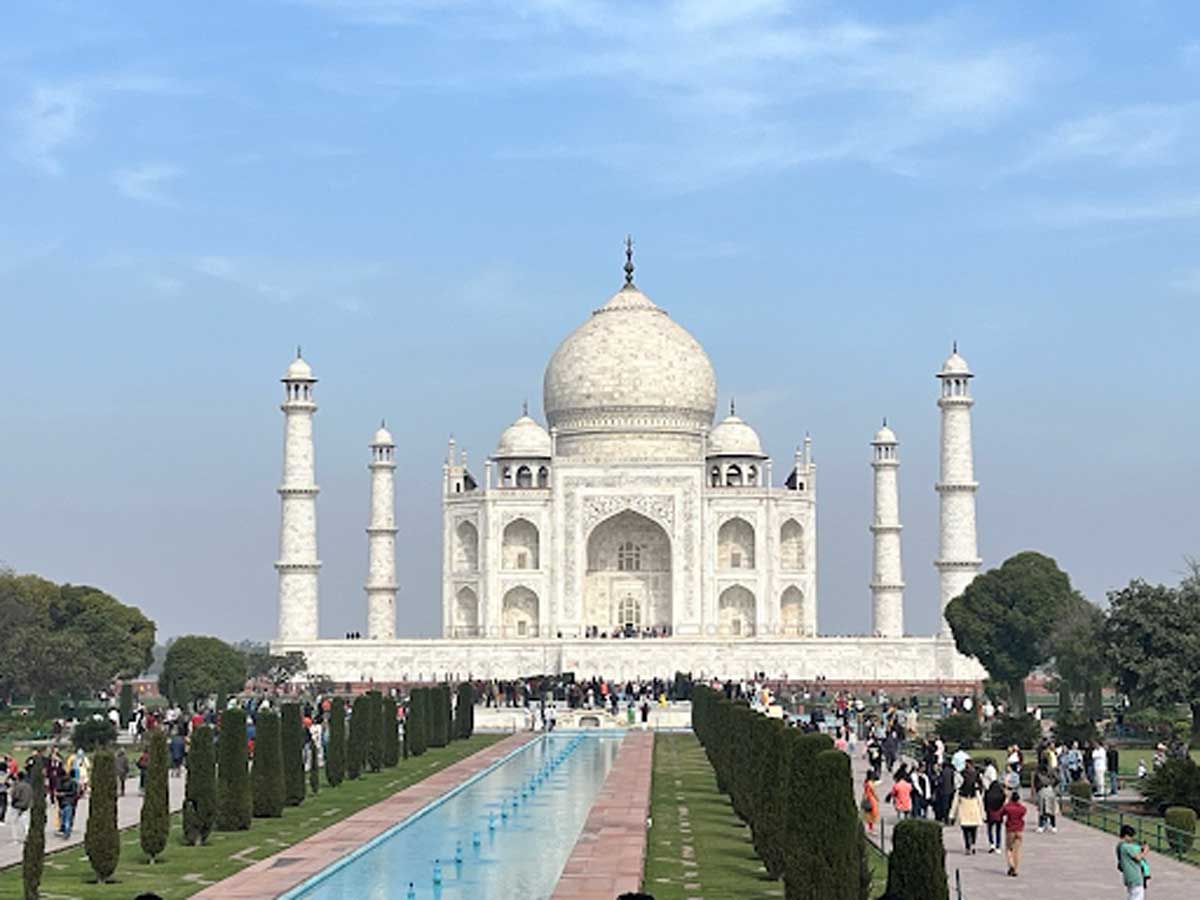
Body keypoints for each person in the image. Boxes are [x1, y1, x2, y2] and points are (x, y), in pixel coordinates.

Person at [949, 777, 984, 855]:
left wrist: (952, 815)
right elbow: (980, 803)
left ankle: (968, 847)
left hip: (964, 813)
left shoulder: (960, 791)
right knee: (974, 831)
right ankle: (973, 845)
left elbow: (954, 803)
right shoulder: (975, 791)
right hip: (974, 813)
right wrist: (983, 814)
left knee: (966, 831)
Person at [1116, 824, 1149, 900]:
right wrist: (1145, 851)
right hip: (1135, 877)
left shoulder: (1120, 846)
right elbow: (1138, 857)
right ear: (1126, 835)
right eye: (1131, 836)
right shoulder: (1126, 846)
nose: (1132, 838)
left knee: (1132, 896)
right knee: (1137, 897)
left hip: (1129, 877)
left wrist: (1141, 849)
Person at [1001, 790, 1026, 877]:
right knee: (1017, 851)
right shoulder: (1022, 808)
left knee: (1009, 849)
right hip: (1019, 830)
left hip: (1010, 830)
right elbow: (1023, 812)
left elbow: (1002, 812)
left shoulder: (1007, 807)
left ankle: (1011, 865)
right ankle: (1015, 869)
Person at [983, 777, 1006, 853]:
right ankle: (998, 846)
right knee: (998, 831)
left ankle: (991, 843)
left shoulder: (988, 793)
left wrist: (986, 811)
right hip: (999, 814)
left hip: (990, 814)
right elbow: (1003, 802)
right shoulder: (1001, 794)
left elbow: (985, 804)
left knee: (990, 830)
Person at [9, 771, 32, 843]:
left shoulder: (18, 786)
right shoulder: (28, 786)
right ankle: (27, 836)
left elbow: (15, 796)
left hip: (17, 806)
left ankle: (15, 838)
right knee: (25, 823)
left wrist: (13, 802)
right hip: (26, 806)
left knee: (14, 822)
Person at [56, 770, 80, 838]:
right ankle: (67, 832)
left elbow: (58, 792)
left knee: (64, 818)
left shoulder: (60, 782)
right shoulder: (73, 782)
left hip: (62, 803)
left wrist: (60, 795)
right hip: (69, 802)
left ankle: (64, 830)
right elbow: (75, 793)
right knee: (67, 819)